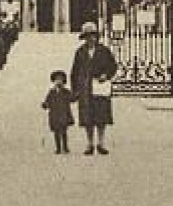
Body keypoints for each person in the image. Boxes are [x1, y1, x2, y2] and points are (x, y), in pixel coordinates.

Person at [70, 22, 117, 155]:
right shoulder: (80, 52)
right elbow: (74, 71)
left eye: (93, 36)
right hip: (85, 88)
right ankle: (89, 143)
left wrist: (106, 75)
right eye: (88, 36)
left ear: (97, 36)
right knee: (88, 118)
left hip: (100, 87)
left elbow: (113, 66)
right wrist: (75, 91)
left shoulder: (104, 50)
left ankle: (101, 143)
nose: (91, 39)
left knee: (101, 117)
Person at [41, 69, 75, 154]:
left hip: (64, 114)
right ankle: (58, 148)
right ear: (53, 81)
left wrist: (77, 96)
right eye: (57, 79)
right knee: (56, 132)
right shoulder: (51, 92)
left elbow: (72, 99)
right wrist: (45, 105)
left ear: (64, 81)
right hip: (54, 115)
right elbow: (47, 101)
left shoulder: (66, 91)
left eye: (60, 79)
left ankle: (65, 147)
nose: (59, 81)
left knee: (64, 132)